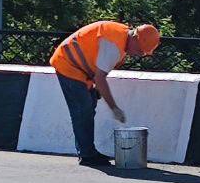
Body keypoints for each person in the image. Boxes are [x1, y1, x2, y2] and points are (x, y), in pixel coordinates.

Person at [50, 20, 162, 166]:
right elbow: (100, 78)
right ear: (135, 39)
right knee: (82, 111)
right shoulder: (114, 46)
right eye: (140, 51)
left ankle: (87, 151)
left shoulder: (122, 36)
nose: (139, 55)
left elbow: (98, 66)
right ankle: (87, 155)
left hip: (80, 69)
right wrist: (114, 108)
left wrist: (96, 88)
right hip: (68, 65)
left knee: (87, 109)